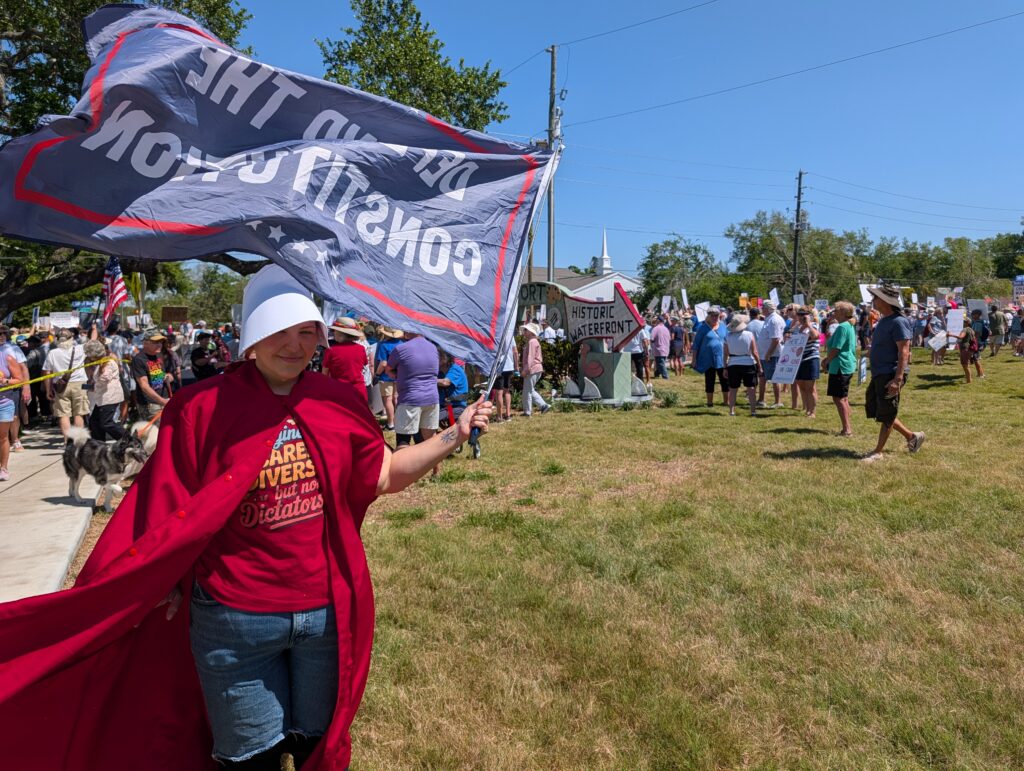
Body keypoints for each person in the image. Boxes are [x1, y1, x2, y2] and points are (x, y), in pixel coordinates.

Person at [0, 264, 492, 769]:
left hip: (325, 613)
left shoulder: (338, 402)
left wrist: (455, 432)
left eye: (306, 332)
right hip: (233, 618)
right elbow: (165, 504)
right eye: (278, 331)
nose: (293, 346)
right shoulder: (200, 407)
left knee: (314, 745)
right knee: (248, 756)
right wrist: (158, 580)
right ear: (251, 339)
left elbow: (384, 474)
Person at [862, 284, 925, 462]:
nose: (873, 301)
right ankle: (912, 437)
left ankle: (877, 452)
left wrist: (897, 379)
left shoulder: (899, 321)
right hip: (879, 372)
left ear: (884, 301)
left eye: (875, 298)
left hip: (890, 373)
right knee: (880, 410)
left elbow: (904, 351)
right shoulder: (884, 320)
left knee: (887, 412)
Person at [387, 331, 442, 446]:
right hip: (432, 398)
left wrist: (399, 375)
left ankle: (402, 464)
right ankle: (435, 465)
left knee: (403, 441)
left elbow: (388, 370)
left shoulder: (400, 348)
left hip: (410, 399)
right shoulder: (433, 348)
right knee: (430, 442)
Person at [43, 329, 89, 437]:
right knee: (79, 413)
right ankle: (78, 441)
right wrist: (95, 329)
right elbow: (93, 341)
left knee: (63, 415)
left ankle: (67, 442)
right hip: (79, 384)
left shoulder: (52, 353)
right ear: (71, 339)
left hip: (60, 386)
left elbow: (47, 372)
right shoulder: (80, 349)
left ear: (57, 340)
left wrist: (48, 389)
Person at [823, 301, 858, 436]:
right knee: (843, 397)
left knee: (839, 398)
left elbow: (836, 348)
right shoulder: (847, 325)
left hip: (840, 365)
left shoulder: (842, 327)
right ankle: (847, 424)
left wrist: (826, 361)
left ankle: (847, 429)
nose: (834, 313)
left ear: (843, 313)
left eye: (836, 311)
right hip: (844, 364)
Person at [82, 339, 126, 441]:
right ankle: (99, 444)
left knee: (106, 423)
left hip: (110, 397)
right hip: (102, 397)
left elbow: (105, 378)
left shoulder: (108, 362)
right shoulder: (100, 363)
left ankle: (127, 439)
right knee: (94, 421)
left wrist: (94, 377)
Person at [723, 314, 761, 417]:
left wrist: (725, 367)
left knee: (733, 389)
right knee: (751, 388)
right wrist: (759, 365)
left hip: (733, 363)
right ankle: (753, 411)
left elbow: (725, 354)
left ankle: (731, 411)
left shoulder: (727, 337)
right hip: (748, 362)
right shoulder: (749, 335)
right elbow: (755, 352)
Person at [0, 326, 30, 453]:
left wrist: (26, 387)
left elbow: (23, 368)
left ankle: (16, 439)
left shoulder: (13, 348)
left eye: (3, 333)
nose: (2, 336)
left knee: (14, 415)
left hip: (11, 387)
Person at [691, 307, 728, 408]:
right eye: (713, 316)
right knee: (710, 380)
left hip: (722, 358)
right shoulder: (703, 328)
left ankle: (726, 402)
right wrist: (694, 360)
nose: (715, 317)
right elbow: (696, 345)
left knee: (724, 380)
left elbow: (728, 340)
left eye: (716, 315)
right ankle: (710, 402)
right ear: (708, 316)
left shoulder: (723, 326)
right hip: (708, 359)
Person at [321, 318, 368, 394]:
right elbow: (362, 366)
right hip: (358, 391)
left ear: (340, 334)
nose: (333, 333)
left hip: (338, 390)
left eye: (334, 331)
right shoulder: (361, 349)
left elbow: (324, 375)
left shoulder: (331, 350)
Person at [131, 331, 170, 421]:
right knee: (155, 433)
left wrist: (168, 377)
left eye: (161, 342)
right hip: (150, 405)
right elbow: (144, 386)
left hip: (163, 401)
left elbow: (164, 375)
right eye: (156, 342)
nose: (159, 345)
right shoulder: (139, 359)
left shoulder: (159, 355)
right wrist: (162, 401)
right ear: (145, 343)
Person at [755, 301, 785, 408]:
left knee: (774, 378)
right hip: (764, 354)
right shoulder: (769, 319)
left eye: (763, 307)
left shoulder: (774, 320)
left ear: (767, 309)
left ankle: (778, 401)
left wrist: (768, 353)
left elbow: (776, 339)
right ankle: (761, 399)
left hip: (772, 354)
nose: (761, 309)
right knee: (762, 377)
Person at [793, 306, 821, 418]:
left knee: (810, 386)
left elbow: (816, 336)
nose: (801, 317)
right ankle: (807, 408)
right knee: (801, 384)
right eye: (799, 314)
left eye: (803, 314)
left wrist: (808, 324)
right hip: (799, 358)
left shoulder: (813, 325)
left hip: (811, 357)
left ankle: (812, 411)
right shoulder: (797, 327)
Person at [373, 327, 403, 431]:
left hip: (386, 376)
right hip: (400, 375)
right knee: (397, 399)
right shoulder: (402, 344)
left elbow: (383, 363)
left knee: (388, 400)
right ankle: (400, 422)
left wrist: (377, 374)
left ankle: (391, 424)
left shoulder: (384, 345)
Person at [518, 322, 550, 416]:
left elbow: (530, 358)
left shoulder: (532, 342)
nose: (524, 332)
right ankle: (543, 406)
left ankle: (528, 412)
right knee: (530, 390)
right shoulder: (534, 341)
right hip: (536, 368)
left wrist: (525, 370)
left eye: (526, 330)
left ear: (531, 332)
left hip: (532, 368)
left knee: (527, 391)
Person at [492, 338, 519, 422]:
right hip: (509, 366)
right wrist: (516, 366)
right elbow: (515, 351)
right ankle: (508, 415)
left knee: (499, 392)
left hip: (499, 366)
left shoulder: (497, 332)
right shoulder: (510, 333)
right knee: (507, 390)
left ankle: (499, 417)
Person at [955, 316, 984, 383]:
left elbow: (961, 337)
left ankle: (971, 379)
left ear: (967, 322)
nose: (962, 323)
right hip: (972, 347)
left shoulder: (965, 329)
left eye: (963, 321)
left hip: (968, 347)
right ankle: (980, 375)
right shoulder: (971, 329)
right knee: (975, 360)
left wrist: (951, 335)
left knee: (967, 364)